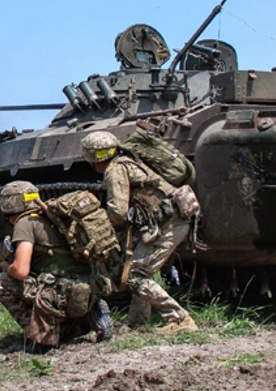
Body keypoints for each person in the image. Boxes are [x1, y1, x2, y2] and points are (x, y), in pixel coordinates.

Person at [80, 130, 199, 335]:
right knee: (138, 269)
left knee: (136, 275)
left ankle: (179, 319)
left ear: (91, 157)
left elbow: (118, 212)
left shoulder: (115, 169)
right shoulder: (129, 161)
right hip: (172, 220)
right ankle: (137, 321)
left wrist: (96, 228)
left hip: (169, 224)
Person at [0, 180, 113, 349]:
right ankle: (92, 310)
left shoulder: (24, 223)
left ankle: (42, 332)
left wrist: (5, 267)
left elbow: (21, 271)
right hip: (90, 284)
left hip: (59, 292)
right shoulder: (55, 216)